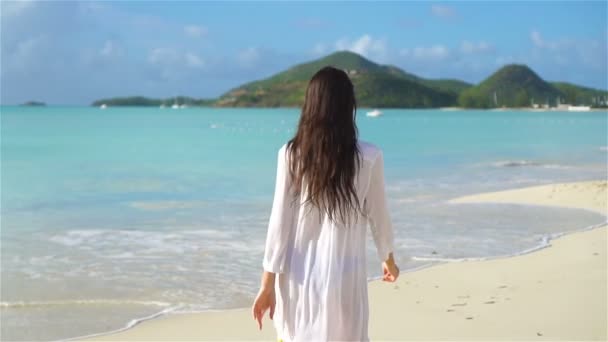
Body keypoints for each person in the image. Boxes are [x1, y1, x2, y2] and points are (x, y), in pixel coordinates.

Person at [252, 66, 399, 342]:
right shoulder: (368, 156)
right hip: (346, 281)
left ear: (310, 105)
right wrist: (387, 259)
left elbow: (279, 223)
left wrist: (267, 285)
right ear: (349, 107)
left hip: (298, 282)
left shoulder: (291, 155)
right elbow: (379, 215)